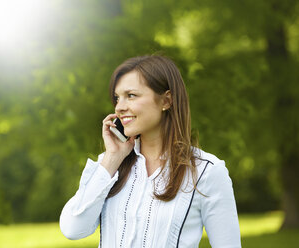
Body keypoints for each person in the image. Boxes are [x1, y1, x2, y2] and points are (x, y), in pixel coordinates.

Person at [59, 55, 241, 247]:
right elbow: (73, 229)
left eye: (131, 95)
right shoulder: (112, 165)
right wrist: (112, 158)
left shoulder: (206, 172)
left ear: (166, 101)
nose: (119, 107)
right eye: (116, 98)